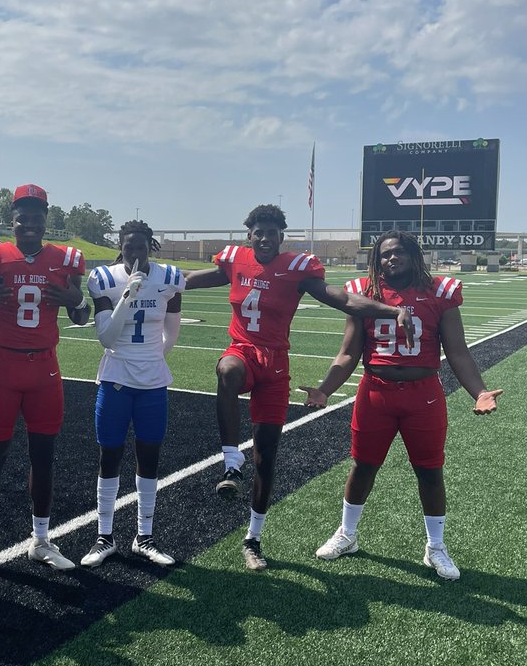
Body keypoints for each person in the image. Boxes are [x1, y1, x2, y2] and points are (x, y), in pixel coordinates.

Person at [185, 204, 414, 572]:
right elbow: (197, 277)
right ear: (249, 235)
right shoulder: (234, 260)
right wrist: (159, 279)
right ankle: (230, 460)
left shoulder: (296, 269)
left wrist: (391, 311)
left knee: (267, 457)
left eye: (271, 233)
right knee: (227, 370)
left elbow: (342, 299)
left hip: (274, 365)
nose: (264, 238)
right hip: (242, 350)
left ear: (281, 237)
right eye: (258, 232)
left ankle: (253, 538)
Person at [302, 230, 502, 579]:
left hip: (423, 394)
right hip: (375, 392)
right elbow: (349, 351)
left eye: (398, 253)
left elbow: (457, 351)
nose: (390, 259)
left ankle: (435, 547)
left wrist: (479, 391)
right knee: (363, 466)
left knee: (429, 471)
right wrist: (325, 390)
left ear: (413, 256)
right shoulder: (365, 293)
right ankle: (347, 535)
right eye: (383, 254)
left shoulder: (439, 292)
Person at [0, 184, 89, 579]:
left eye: (37, 216)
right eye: (23, 216)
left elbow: (81, 316)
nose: (30, 223)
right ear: (11, 220)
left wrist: (73, 300)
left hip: (45, 370)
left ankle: (41, 540)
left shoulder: (67, 259)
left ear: (45, 220)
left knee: (43, 456)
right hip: (2, 367)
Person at [81, 220, 185, 569]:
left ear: (150, 246)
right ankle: (104, 536)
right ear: (121, 246)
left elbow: (172, 326)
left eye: (141, 246)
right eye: (129, 246)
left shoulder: (169, 276)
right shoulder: (105, 279)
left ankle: (145, 536)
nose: (135, 253)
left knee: (149, 456)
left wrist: (156, 356)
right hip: (115, 379)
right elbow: (107, 337)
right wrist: (129, 295)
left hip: (153, 381)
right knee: (109, 456)